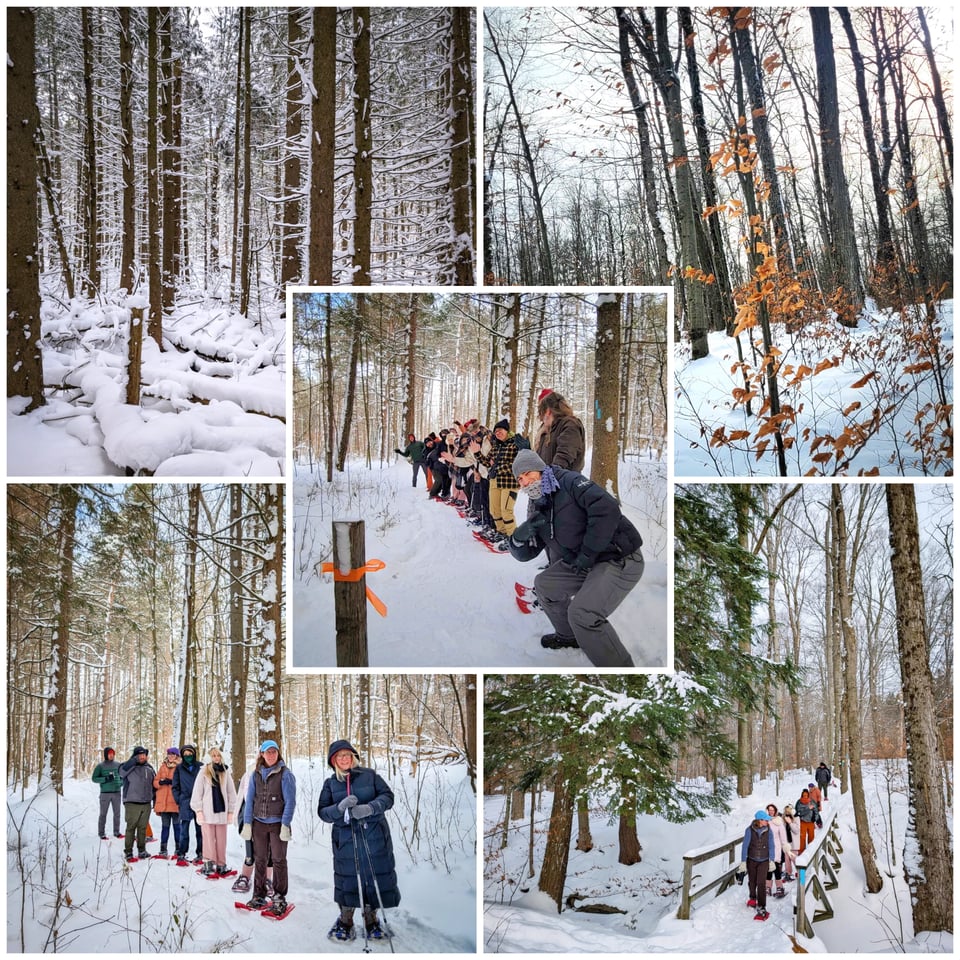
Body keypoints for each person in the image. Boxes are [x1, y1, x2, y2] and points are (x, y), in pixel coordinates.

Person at [509, 449, 644, 666]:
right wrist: (517, 538)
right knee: (544, 585)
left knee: (583, 614)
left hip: (618, 557)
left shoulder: (569, 482)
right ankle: (568, 636)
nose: (525, 481)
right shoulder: (539, 506)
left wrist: (588, 554)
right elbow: (526, 553)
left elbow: (607, 509)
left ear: (540, 468)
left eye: (528, 473)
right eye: (520, 479)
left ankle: (621, 672)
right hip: (584, 562)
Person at [318, 739, 400, 942]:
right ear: (333, 760)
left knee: (372, 876)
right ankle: (345, 920)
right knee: (348, 878)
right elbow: (322, 812)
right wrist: (339, 808)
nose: (344, 759)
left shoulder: (370, 776)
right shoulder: (330, 783)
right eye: (340, 756)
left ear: (353, 757)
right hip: (345, 840)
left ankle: (371, 920)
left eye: (347, 755)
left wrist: (370, 808)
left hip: (373, 836)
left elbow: (388, 796)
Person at [241, 740, 296, 917]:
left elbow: (290, 802)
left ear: (278, 754)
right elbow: (249, 800)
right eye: (267, 752)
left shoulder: (285, 774)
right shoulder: (255, 774)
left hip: (278, 823)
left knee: (279, 859)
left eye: (274, 752)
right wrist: (247, 822)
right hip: (258, 824)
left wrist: (285, 824)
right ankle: (259, 895)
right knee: (261, 859)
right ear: (262, 754)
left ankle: (279, 897)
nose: (271, 755)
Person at [191, 747, 238, 877]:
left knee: (222, 840)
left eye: (218, 756)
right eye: (213, 756)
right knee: (208, 839)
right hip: (207, 812)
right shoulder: (203, 772)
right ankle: (208, 863)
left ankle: (221, 864)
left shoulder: (225, 771)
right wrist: (198, 810)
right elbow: (197, 792)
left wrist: (231, 811)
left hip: (222, 812)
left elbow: (231, 792)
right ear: (209, 758)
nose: (216, 758)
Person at [232, 763, 275, 895]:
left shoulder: (278, 774)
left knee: (269, 851)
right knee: (250, 851)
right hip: (250, 818)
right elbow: (242, 797)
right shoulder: (250, 773)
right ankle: (245, 876)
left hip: (270, 818)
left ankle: (267, 879)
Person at [119, 746, 156, 861]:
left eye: (144, 755)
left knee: (142, 828)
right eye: (139, 755)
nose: (142, 757)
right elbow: (121, 773)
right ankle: (128, 852)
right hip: (132, 802)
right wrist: (133, 761)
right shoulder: (127, 766)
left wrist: (154, 799)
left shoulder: (149, 768)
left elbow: (154, 785)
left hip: (146, 803)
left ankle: (142, 850)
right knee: (131, 828)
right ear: (135, 756)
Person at [487, 420, 521, 544]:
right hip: (495, 481)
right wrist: (476, 453)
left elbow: (517, 464)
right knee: (494, 510)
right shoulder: (496, 446)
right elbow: (487, 462)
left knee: (506, 511)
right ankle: (501, 532)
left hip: (510, 482)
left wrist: (497, 467)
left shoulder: (515, 444)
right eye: (496, 431)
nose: (498, 433)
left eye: (500, 430)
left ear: (507, 431)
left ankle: (513, 538)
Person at [737, 810, 775, 921]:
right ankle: (752, 897)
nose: (768, 821)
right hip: (751, 860)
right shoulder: (749, 830)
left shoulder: (769, 831)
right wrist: (743, 861)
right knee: (752, 881)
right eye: (766, 820)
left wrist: (771, 860)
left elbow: (771, 846)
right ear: (760, 820)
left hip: (764, 860)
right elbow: (745, 846)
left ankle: (762, 906)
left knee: (761, 883)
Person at [535, 391, 585, 473]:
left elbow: (565, 454)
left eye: (541, 414)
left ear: (548, 411)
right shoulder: (547, 430)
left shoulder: (570, 424)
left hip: (565, 482)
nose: (541, 419)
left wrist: (550, 474)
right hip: (548, 482)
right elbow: (540, 459)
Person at [173, 744, 203, 864]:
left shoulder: (200, 767)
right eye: (185, 754)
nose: (188, 756)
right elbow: (175, 786)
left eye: (190, 754)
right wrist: (178, 799)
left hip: (199, 802)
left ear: (194, 754)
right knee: (184, 830)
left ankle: (201, 852)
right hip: (185, 801)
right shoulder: (179, 768)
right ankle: (181, 853)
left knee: (200, 830)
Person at [152, 748, 181, 858]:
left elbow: (182, 782)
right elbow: (155, 782)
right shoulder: (163, 766)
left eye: (172, 754)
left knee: (177, 827)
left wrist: (172, 782)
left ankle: (178, 849)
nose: (170, 756)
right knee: (165, 827)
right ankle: (163, 849)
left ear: (176, 756)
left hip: (175, 802)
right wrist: (160, 782)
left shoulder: (180, 767)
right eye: (168, 754)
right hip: (163, 803)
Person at [93, 747, 123, 840]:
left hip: (116, 792)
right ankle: (101, 833)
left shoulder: (118, 765)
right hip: (105, 793)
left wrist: (120, 783)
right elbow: (94, 778)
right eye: (109, 753)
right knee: (103, 814)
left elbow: (123, 776)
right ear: (106, 754)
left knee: (117, 814)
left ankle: (116, 832)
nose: (111, 755)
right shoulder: (100, 766)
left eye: (113, 753)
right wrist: (105, 779)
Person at [764, 804, 789, 898]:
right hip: (766, 848)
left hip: (776, 847)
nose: (771, 811)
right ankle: (768, 887)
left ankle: (780, 887)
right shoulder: (765, 821)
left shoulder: (778, 822)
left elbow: (783, 836)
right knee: (768, 868)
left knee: (775, 868)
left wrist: (785, 846)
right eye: (769, 810)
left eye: (772, 810)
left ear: (775, 811)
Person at [795, 788, 818, 853]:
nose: (805, 796)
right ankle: (801, 852)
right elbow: (799, 812)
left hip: (811, 822)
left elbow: (816, 811)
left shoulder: (812, 801)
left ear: (808, 795)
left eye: (806, 795)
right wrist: (808, 808)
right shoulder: (799, 802)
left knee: (811, 837)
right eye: (804, 795)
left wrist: (815, 819)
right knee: (802, 838)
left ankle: (812, 852)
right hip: (802, 821)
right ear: (802, 795)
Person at [779, 804, 797, 880]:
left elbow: (796, 830)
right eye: (785, 811)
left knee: (797, 862)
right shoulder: (783, 820)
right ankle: (788, 874)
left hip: (794, 845)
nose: (787, 813)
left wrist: (790, 823)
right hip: (786, 844)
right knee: (787, 862)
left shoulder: (796, 819)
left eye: (789, 811)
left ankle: (802, 878)